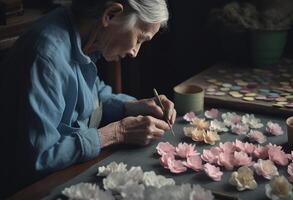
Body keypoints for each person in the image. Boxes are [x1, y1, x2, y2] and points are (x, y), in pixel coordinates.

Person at [0, 0, 175, 197]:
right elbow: (39, 157)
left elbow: (92, 95)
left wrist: (131, 107)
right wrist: (117, 132)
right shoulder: (45, 57)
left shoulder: (84, 34)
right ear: (110, 15)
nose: (135, 52)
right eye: (139, 38)